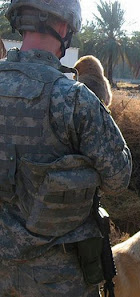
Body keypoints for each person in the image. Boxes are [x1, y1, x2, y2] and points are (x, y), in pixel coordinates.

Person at [0, 0, 132, 296]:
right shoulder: (75, 99)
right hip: (57, 278)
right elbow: (118, 178)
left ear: (20, 22)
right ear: (63, 26)